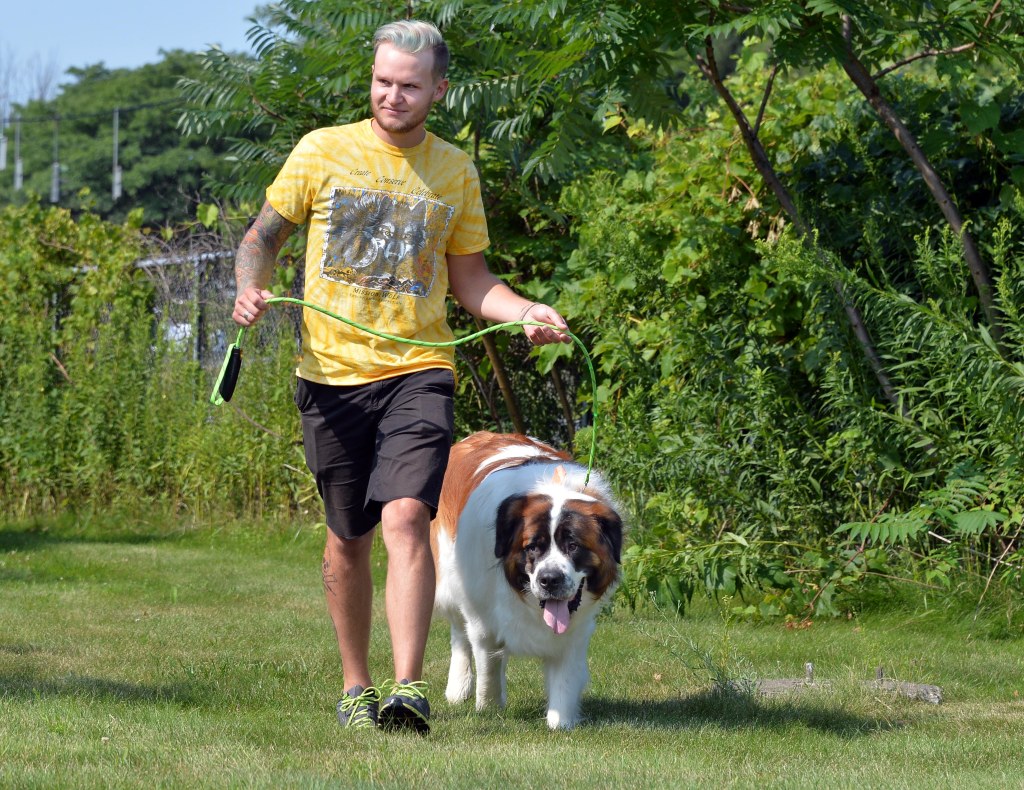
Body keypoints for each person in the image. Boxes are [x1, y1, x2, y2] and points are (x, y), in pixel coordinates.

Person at [230, 19, 570, 734]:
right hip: (329, 374)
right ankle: (356, 686)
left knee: (408, 515)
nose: (393, 96)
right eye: (383, 82)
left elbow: (474, 282)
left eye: (409, 86)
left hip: (419, 368)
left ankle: (406, 690)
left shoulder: (454, 171)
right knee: (347, 537)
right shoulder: (322, 151)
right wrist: (249, 287)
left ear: (438, 90)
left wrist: (526, 309)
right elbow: (260, 240)